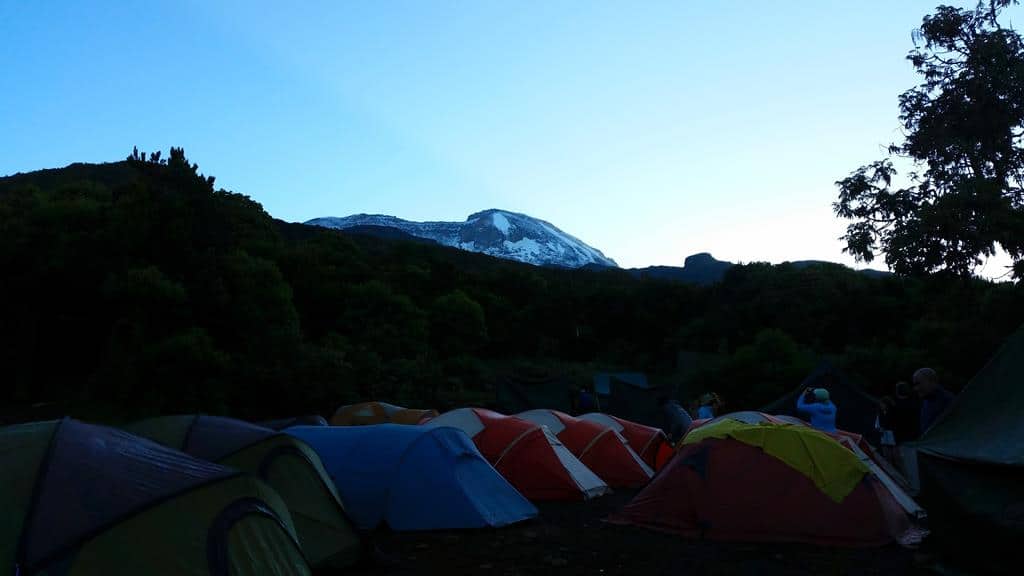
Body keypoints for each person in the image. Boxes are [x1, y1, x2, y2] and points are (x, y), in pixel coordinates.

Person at [913, 367, 954, 434]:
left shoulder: (948, 401)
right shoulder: (925, 401)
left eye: (918, 383)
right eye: (915, 385)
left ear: (932, 381)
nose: (916, 389)